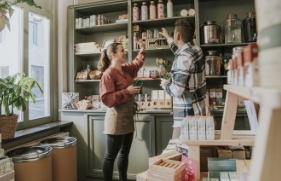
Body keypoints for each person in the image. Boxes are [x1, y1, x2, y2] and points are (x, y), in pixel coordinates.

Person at [98, 38, 145, 181]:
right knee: (110, 156)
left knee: (124, 153)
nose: (125, 53)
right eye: (122, 51)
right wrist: (127, 92)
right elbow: (107, 99)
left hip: (127, 119)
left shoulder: (125, 70)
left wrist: (142, 49)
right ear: (113, 54)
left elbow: (137, 64)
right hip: (116, 120)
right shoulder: (108, 74)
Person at [159, 18, 206, 138]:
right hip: (198, 111)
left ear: (178, 35)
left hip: (185, 118)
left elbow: (177, 91)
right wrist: (167, 37)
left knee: (179, 153)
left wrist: (165, 84)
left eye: (174, 33)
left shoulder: (183, 57)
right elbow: (178, 51)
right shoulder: (196, 50)